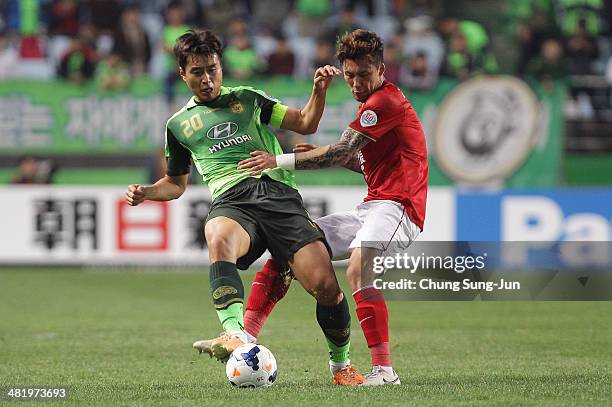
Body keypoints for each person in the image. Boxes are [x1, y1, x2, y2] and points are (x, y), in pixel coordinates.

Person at [125, 29, 364, 386]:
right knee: (216, 233)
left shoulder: (248, 98)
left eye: (212, 69)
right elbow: (175, 184)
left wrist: (319, 91)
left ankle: (341, 366)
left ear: (221, 66)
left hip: (279, 197)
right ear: (182, 74)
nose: (207, 79)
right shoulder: (177, 126)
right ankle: (234, 332)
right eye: (197, 72)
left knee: (326, 286)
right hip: (233, 202)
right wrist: (147, 191)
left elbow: (305, 123)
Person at [234, 29, 428, 386]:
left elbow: (342, 151)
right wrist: (322, 153)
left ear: (381, 69)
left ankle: (384, 371)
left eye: (363, 75)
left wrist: (280, 160)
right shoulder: (371, 104)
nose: (355, 83)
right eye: (350, 75)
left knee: (358, 265)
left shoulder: (385, 102)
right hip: (373, 207)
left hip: (400, 208)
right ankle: (245, 336)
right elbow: (361, 162)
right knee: (295, 245)